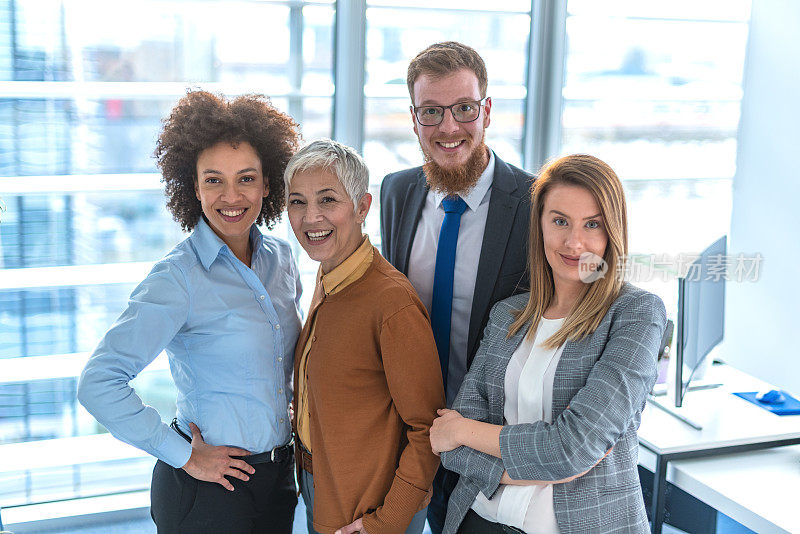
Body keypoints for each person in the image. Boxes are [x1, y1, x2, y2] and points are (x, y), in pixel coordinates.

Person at [78, 91, 302, 533]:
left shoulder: (281, 259)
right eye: (214, 180)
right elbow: (98, 383)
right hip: (207, 491)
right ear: (194, 187)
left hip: (278, 479)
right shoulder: (177, 277)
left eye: (247, 178)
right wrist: (181, 453)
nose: (232, 196)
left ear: (268, 184)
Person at [429, 154, 668, 533]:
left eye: (592, 224)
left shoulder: (636, 313)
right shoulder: (507, 314)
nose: (574, 242)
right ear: (539, 224)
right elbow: (451, 452)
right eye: (560, 221)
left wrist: (463, 431)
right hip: (477, 520)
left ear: (613, 233)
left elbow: (570, 448)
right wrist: (541, 465)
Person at [379, 41, 532, 533]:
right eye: (432, 112)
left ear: (486, 111)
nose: (449, 127)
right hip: (407, 435)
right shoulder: (396, 191)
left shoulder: (534, 203)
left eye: (464, 108)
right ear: (414, 117)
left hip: (488, 441)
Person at [284, 139, 445, 534]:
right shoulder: (328, 276)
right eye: (297, 202)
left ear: (362, 207)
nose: (310, 218)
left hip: (366, 511)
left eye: (327, 200)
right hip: (321, 484)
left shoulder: (391, 303)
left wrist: (386, 523)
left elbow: (428, 431)